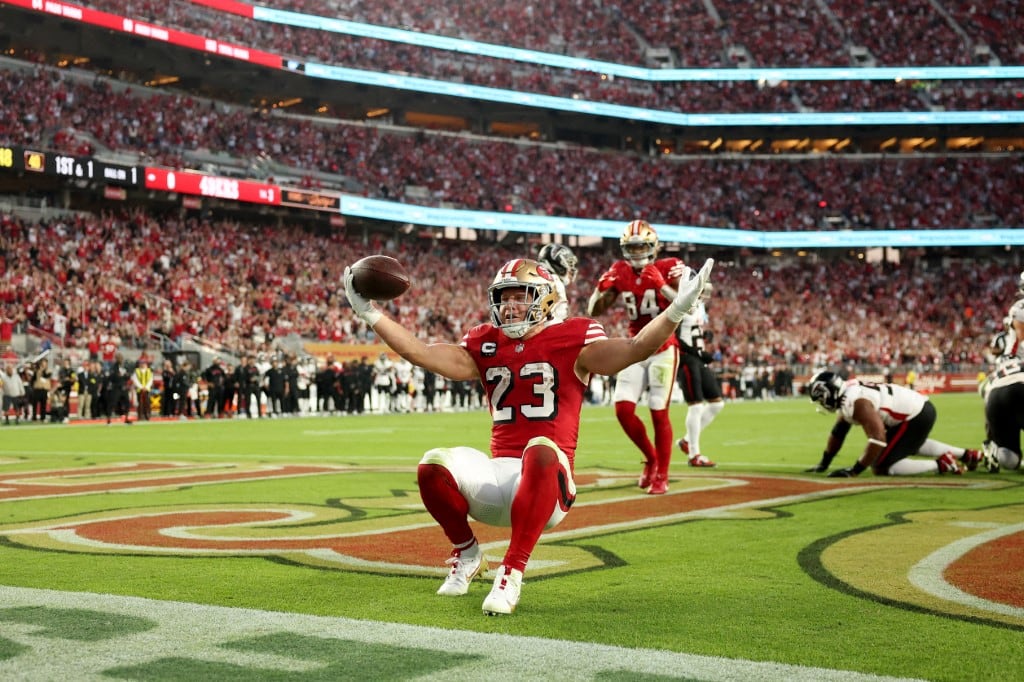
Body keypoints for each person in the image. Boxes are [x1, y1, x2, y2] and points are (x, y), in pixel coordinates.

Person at [344, 255, 713, 616]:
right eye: (503, 297)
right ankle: (468, 554)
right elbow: (422, 353)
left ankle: (511, 572)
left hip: (549, 482)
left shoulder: (574, 336)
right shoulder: (485, 342)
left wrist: (677, 308)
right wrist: (370, 313)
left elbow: (636, 348)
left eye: (520, 296)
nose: (510, 306)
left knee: (540, 448)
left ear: (546, 298)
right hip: (498, 476)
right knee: (432, 465)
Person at [587, 219, 693, 494]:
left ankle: (663, 475)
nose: (636, 253)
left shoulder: (669, 267)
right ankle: (651, 458)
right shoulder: (620, 270)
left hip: (664, 348)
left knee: (658, 411)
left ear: (654, 247)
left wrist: (661, 284)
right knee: (623, 410)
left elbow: (690, 307)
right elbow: (593, 310)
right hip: (634, 347)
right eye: (631, 247)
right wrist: (599, 289)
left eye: (641, 247)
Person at [804, 370, 981, 476]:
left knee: (881, 466)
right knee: (906, 444)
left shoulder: (856, 402)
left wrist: (854, 471)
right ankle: (967, 455)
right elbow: (838, 432)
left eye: (821, 399)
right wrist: (824, 463)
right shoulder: (847, 396)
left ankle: (942, 464)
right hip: (917, 409)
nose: (822, 404)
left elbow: (877, 438)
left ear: (829, 393)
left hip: (915, 414)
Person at [674, 281, 722, 467]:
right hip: (687, 358)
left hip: (698, 358)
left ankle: (687, 440)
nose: (704, 295)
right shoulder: (681, 303)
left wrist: (704, 338)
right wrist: (697, 352)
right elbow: (674, 337)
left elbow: (693, 330)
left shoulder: (699, 307)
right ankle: (694, 455)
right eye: (702, 291)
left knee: (717, 403)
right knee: (696, 406)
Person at [978, 357, 1024, 473]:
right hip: (1021, 388)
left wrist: (990, 437)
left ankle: (995, 453)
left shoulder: (998, 371)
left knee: (1010, 460)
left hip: (995, 396)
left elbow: (985, 397)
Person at [536, 243, 578, 321]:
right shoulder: (555, 282)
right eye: (568, 264)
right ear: (557, 265)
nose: (570, 269)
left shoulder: (537, 278)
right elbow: (560, 319)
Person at [131, 357, 154, 421]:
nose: (142, 364)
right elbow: (135, 380)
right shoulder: (136, 371)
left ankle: (147, 415)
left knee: (147, 403)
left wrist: (146, 387)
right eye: (141, 363)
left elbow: (150, 380)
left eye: (144, 363)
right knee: (140, 403)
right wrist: (141, 387)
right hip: (139, 390)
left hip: (147, 389)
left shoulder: (149, 371)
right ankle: (140, 415)